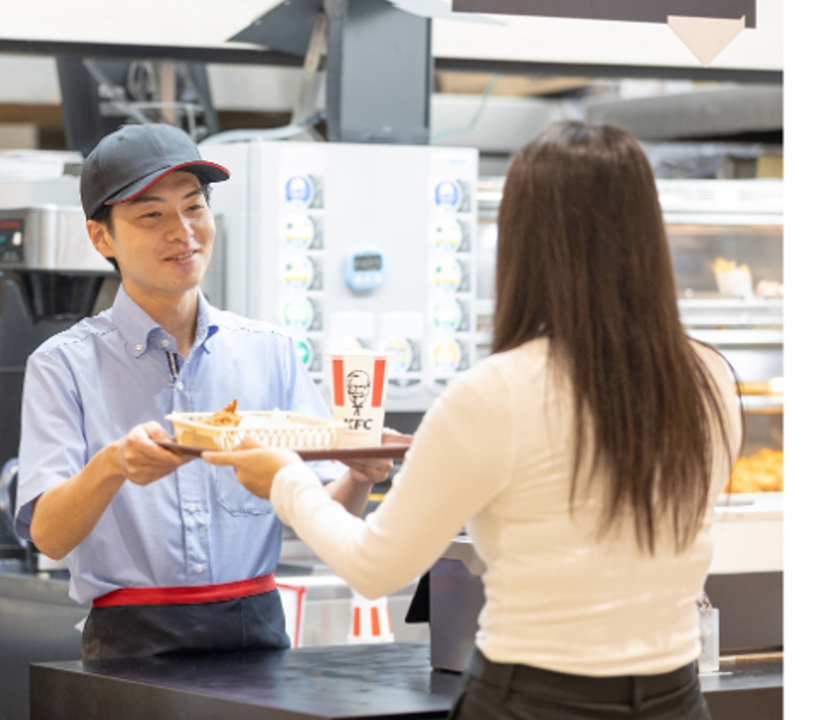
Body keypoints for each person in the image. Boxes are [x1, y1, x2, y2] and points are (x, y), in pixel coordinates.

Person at [205, 120, 742, 719]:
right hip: (675, 698)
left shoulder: (497, 393)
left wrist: (282, 478)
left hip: (534, 700)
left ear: (523, 242)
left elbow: (376, 567)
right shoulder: (711, 379)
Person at [14, 123, 392, 661]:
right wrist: (113, 464)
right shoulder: (63, 365)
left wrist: (359, 473)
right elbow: (49, 536)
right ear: (102, 238)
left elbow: (325, 520)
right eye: (152, 215)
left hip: (257, 631)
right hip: (130, 637)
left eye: (194, 207)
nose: (182, 231)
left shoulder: (271, 351)